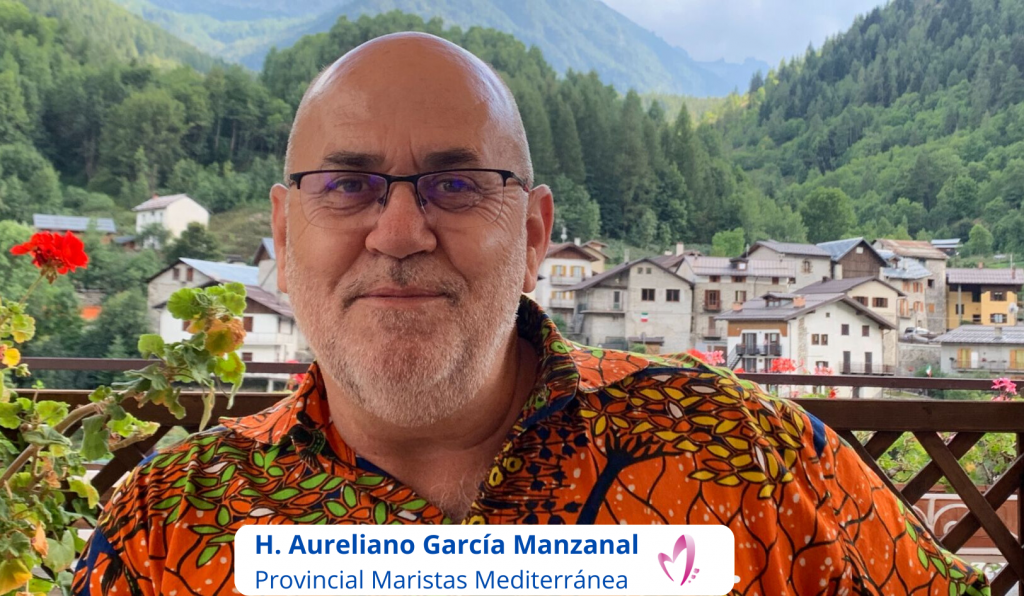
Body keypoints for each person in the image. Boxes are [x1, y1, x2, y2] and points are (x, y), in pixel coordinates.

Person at [73, 32, 988, 596]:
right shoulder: (168, 525)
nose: (400, 231)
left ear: (535, 235)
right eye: (347, 185)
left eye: (457, 184)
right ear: (282, 232)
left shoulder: (747, 460)